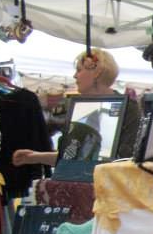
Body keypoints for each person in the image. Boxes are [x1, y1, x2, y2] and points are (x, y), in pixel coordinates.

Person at [12, 47, 141, 169]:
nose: (75, 76)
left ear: (97, 73)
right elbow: (73, 157)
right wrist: (34, 157)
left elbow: (124, 160)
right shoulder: (76, 106)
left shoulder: (129, 109)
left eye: (79, 70)